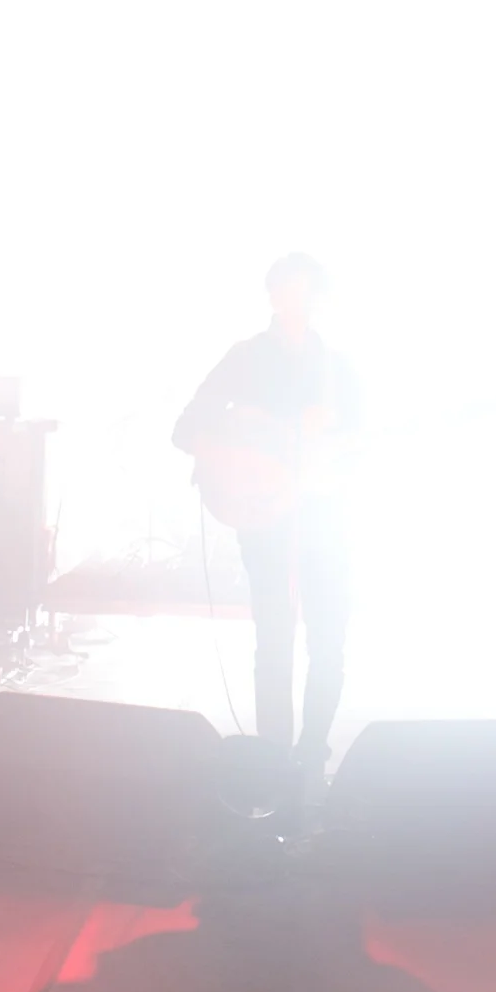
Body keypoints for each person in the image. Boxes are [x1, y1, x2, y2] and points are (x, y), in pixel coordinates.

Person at [173, 254, 361, 767]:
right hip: (264, 517)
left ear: (320, 300)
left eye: (306, 294)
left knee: (329, 643)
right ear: (272, 295)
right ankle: (274, 762)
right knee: (274, 642)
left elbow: (368, 443)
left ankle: (311, 757)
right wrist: (239, 455)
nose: (296, 303)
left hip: (329, 521)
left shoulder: (337, 367)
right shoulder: (245, 358)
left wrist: (334, 439)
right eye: (286, 291)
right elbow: (186, 428)